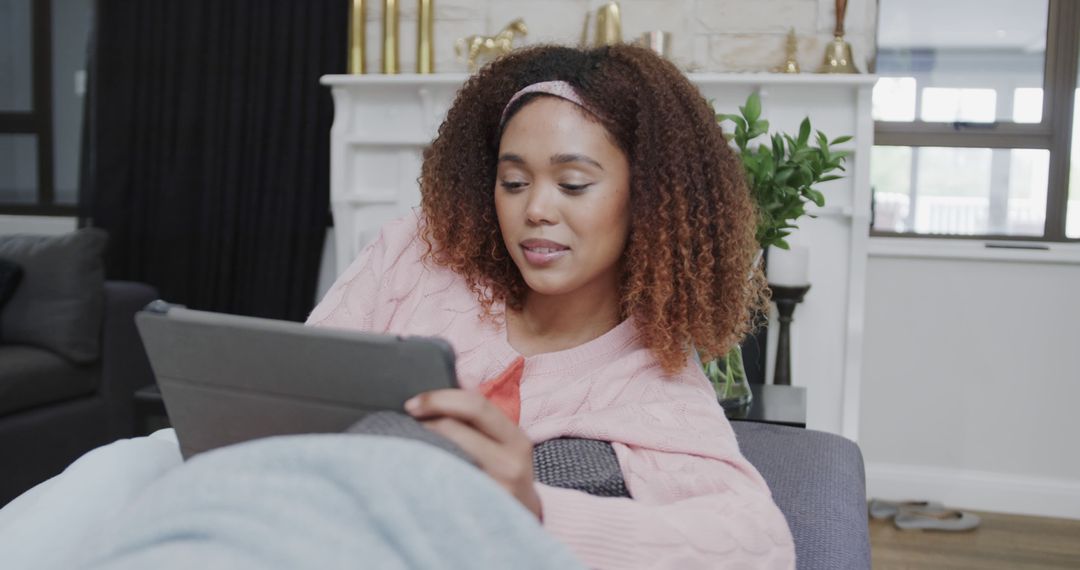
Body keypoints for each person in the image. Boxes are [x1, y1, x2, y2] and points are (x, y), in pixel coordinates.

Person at [307, 44, 795, 568]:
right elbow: (292, 383)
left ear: (647, 201)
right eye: (513, 182)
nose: (535, 209)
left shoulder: (653, 383)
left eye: (573, 184)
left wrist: (535, 511)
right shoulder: (416, 254)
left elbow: (762, 546)